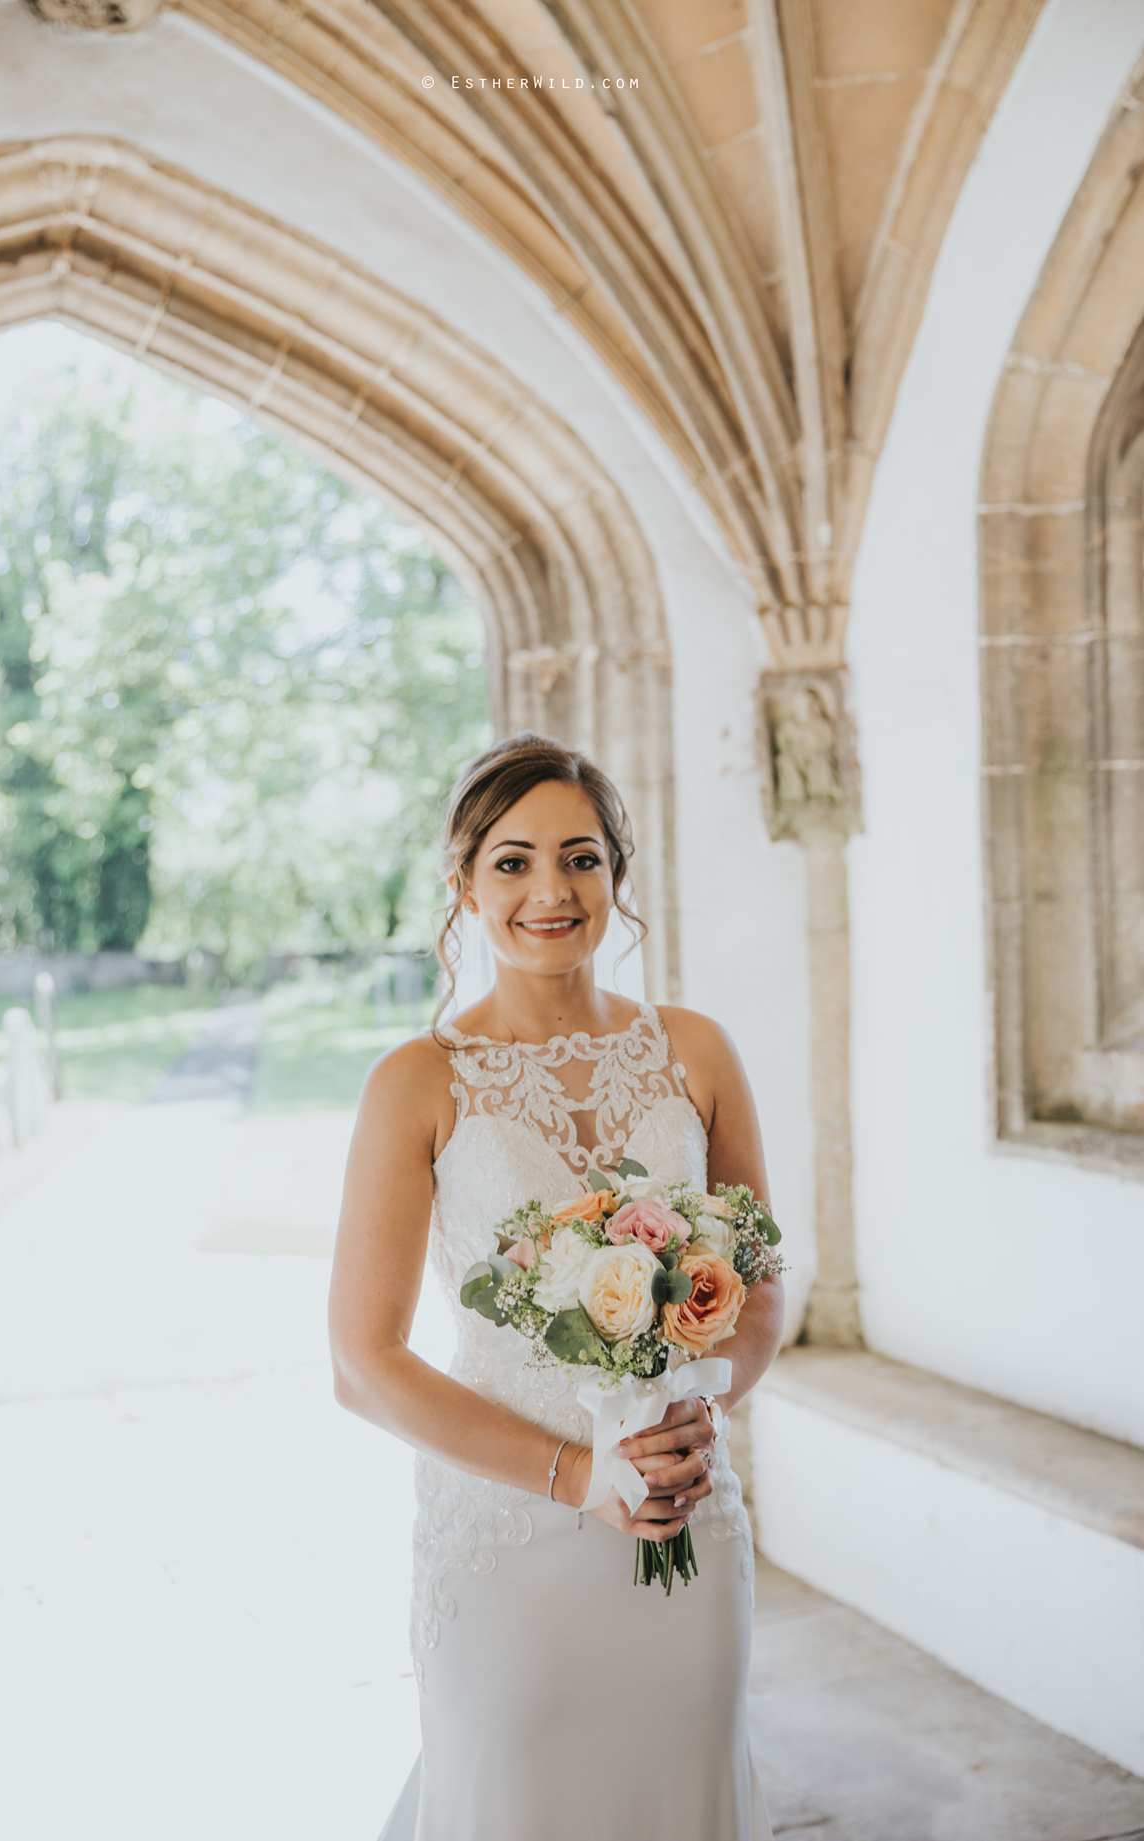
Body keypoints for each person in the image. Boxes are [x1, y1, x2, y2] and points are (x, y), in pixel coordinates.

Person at [329, 732, 784, 1840]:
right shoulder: (416, 1083)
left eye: (580, 857)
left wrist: (696, 1410)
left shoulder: (695, 1051)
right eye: (513, 861)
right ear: (464, 886)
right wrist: (579, 1472)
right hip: (509, 1540)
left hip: (682, 1510)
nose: (551, 889)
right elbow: (362, 1361)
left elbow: (759, 1286)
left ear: (616, 874)